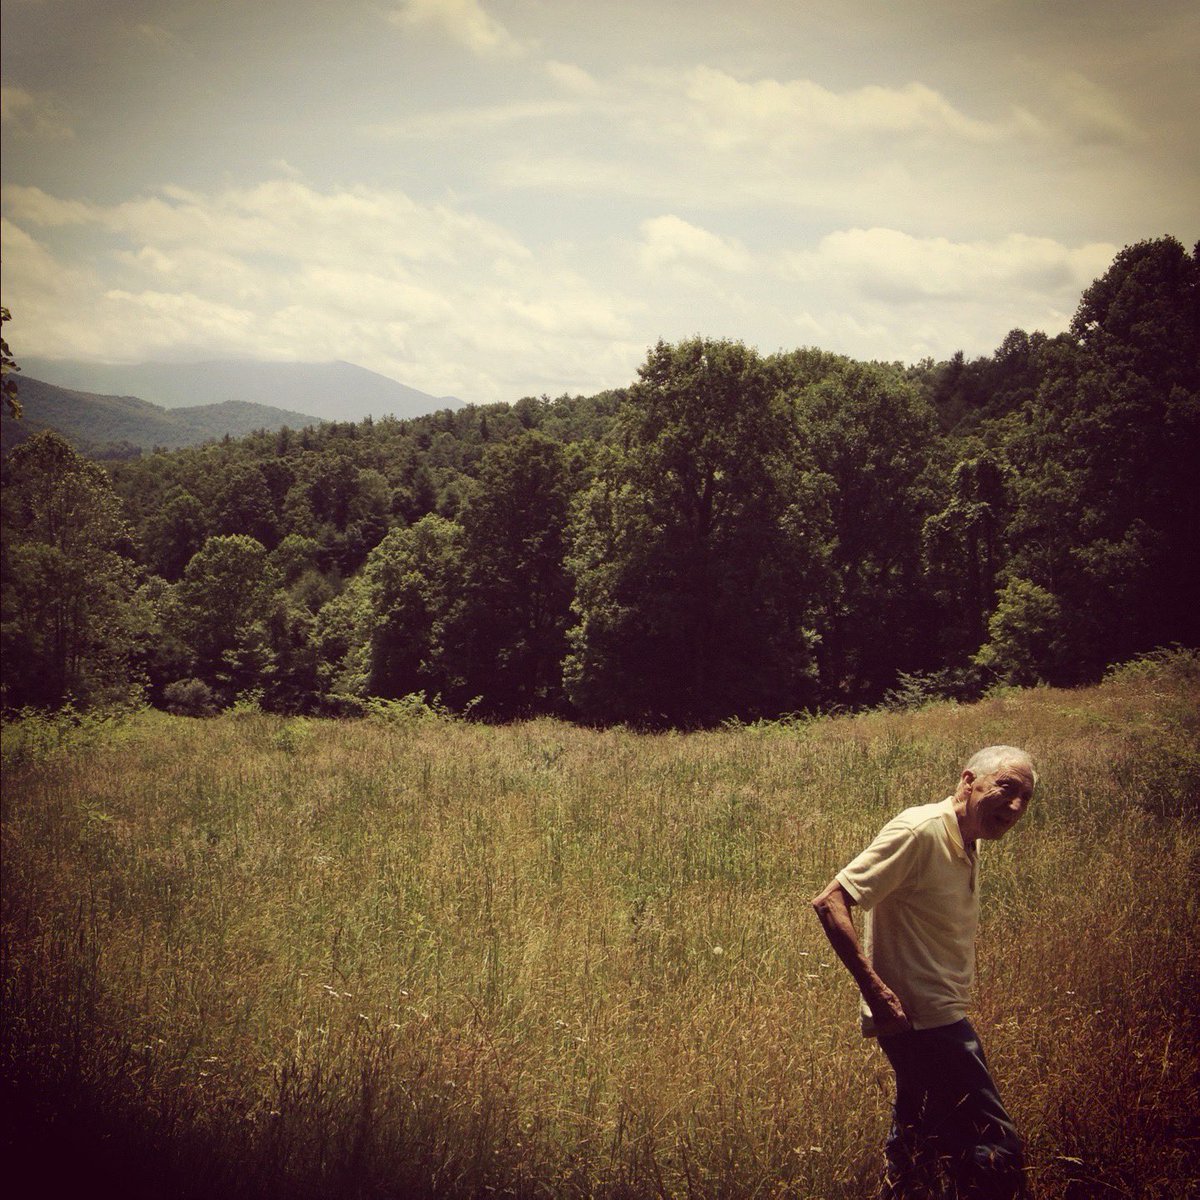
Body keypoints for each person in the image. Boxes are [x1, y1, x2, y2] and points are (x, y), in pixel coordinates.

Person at [811, 746, 1036, 1199]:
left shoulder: (967, 836)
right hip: (926, 1021)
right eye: (1005, 789)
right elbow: (831, 901)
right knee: (994, 1146)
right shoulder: (921, 830)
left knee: (921, 1144)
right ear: (969, 780)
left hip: (932, 1015)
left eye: (1025, 798)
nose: (1014, 807)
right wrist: (876, 992)